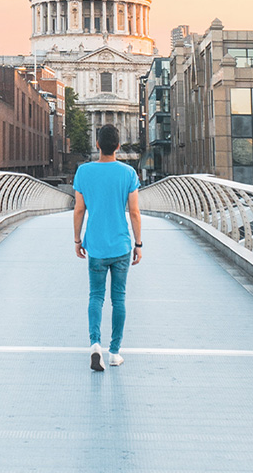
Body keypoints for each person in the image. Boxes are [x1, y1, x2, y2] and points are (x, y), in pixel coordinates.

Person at [73, 124, 142, 372]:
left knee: (96, 296)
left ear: (98, 144)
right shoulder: (128, 173)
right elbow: (134, 212)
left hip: (96, 245)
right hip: (122, 245)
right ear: (119, 146)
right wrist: (139, 244)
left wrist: (77, 240)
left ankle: (94, 345)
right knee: (119, 298)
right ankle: (114, 352)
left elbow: (79, 209)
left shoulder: (83, 172)